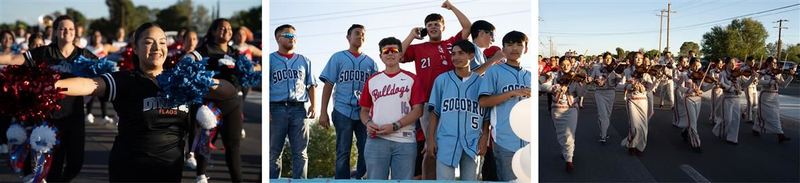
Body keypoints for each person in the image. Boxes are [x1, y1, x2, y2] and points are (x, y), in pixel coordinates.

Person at [55, 22, 236, 182]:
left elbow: (229, 92)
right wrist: (52, 86)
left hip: (170, 171)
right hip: (129, 171)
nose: (157, 48)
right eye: (149, 42)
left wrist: (204, 80)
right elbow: (88, 84)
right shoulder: (126, 80)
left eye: (162, 42)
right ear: (135, 48)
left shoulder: (181, 80)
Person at [0, 15, 97, 183]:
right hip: (51, 119)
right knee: (54, 166)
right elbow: (16, 59)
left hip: (75, 117)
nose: (67, 32)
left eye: (71, 29)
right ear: (56, 31)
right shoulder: (46, 52)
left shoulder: (83, 54)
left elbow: (104, 71)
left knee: (76, 162)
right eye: (63, 28)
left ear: (75, 33)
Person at [400, 0, 472, 179]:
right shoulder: (418, 48)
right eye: (429, 25)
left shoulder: (451, 44)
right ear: (425, 29)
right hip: (427, 102)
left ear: (443, 27)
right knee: (431, 144)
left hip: (451, 101)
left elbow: (468, 27)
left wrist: (452, 7)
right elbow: (398, 55)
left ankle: (447, 176)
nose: (432, 27)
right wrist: (411, 35)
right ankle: (429, 178)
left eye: (436, 24)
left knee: (449, 142)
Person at [359, 37, 424, 180]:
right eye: (385, 51)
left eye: (394, 50)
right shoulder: (372, 80)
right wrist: (368, 123)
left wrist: (395, 126)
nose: (390, 54)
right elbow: (364, 110)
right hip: (376, 140)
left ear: (400, 54)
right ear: (380, 56)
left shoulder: (411, 79)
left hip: (405, 141)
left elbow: (418, 110)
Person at [318, 24, 378, 179]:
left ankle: (361, 178)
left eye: (363, 34)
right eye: (357, 33)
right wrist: (323, 111)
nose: (360, 37)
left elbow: (376, 92)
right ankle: (342, 180)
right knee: (343, 150)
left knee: (366, 149)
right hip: (342, 109)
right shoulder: (338, 57)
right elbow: (328, 85)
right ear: (348, 37)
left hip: (364, 112)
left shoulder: (371, 63)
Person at [424, 40, 488, 180]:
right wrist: (430, 140)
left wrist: (485, 138)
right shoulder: (442, 80)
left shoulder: (482, 82)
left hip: (472, 141)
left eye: (461, 53)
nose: (456, 57)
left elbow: (487, 115)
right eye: (453, 54)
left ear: (471, 56)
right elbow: (434, 113)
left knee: (470, 180)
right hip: (446, 140)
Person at [192, 18, 247, 182]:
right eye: (222, 28)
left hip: (232, 104)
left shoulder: (234, 52)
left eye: (229, 28)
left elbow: (251, 68)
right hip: (211, 104)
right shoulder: (205, 49)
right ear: (214, 31)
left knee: (234, 145)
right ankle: (200, 175)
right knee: (207, 139)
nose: (227, 31)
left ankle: (238, 180)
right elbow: (189, 60)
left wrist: (254, 68)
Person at [478, 31, 531, 181]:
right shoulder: (494, 71)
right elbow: (483, 102)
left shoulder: (530, 75)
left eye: (519, 45)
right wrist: (513, 92)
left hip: (529, 142)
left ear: (526, 49)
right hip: (505, 141)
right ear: (503, 49)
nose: (514, 48)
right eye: (509, 45)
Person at [269, 24, 316, 179]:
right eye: (288, 35)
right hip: (276, 108)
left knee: (301, 152)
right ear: (278, 38)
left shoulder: (304, 60)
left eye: (294, 36)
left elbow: (311, 84)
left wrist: (314, 105)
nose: (292, 39)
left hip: (299, 109)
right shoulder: (270, 59)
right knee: (274, 152)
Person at [541, 56, 588, 172]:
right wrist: (557, 87)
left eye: (568, 64)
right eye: (563, 65)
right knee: (561, 134)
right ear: (560, 65)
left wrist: (586, 83)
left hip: (571, 108)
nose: (566, 67)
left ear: (571, 65)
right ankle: (565, 151)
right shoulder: (554, 75)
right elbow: (543, 86)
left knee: (569, 134)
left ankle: (569, 160)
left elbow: (582, 92)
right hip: (557, 108)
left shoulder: (575, 77)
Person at [615, 52, 653, 156]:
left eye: (640, 58)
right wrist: (630, 87)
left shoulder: (646, 73)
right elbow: (618, 86)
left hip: (643, 100)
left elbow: (650, 87)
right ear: (633, 59)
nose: (638, 60)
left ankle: (640, 146)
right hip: (631, 99)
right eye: (636, 58)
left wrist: (644, 88)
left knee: (643, 126)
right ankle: (632, 144)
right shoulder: (627, 71)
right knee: (634, 126)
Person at [752, 57, 794, 142]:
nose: (774, 65)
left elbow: (784, 85)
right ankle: (780, 134)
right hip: (765, 96)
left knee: (773, 114)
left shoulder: (778, 73)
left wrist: (790, 76)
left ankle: (756, 128)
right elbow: (758, 82)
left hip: (774, 96)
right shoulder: (764, 72)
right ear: (768, 63)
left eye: (775, 63)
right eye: (773, 63)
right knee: (770, 115)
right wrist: (772, 81)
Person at [677, 58, 714, 153]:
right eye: (695, 65)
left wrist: (713, 84)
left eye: (699, 65)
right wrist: (690, 90)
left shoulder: (700, 76)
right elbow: (680, 87)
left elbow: (704, 89)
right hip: (689, 99)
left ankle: (685, 132)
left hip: (698, 100)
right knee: (692, 122)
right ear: (690, 65)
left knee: (693, 121)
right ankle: (696, 144)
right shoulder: (684, 75)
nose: (697, 67)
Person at [715, 57, 755, 144]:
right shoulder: (723, 74)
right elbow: (722, 83)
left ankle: (732, 138)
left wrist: (752, 78)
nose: (733, 65)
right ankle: (718, 130)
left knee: (736, 119)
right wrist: (732, 88)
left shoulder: (739, 74)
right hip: (726, 98)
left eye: (734, 63)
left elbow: (745, 85)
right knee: (727, 119)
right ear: (726, 64)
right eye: (730, 63)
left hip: (736, 99)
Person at [589, 52, 619, 143]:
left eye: (610, 58)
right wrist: (595, 81)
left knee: (608, 114)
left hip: (611, 92)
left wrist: (619, 75)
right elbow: (590, 78)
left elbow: (620, 80)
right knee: (603, 114)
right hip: (599, 92)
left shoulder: (615, 68)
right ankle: (603, 135)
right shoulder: (596, 67)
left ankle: (603, 130)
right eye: (607, 58)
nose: (608, 60)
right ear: (603, 58)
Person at [672, 57, 690, 127]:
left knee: (685, 107)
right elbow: (674, 78)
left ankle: (685, 122)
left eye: (686, 61)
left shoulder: (688, 70)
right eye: (683, 61)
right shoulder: (676, 69)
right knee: (678, 107)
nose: (685, 63)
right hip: (678, 89)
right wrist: (679, 80)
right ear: (679, 62)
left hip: (686, 89)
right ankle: (677, 121)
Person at [740, 57, 758, 124]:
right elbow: (743, 78)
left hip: (754, 86)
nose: (753, 63)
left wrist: (756, 80)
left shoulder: (755, 69)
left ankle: (743, 110)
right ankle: (749, 118)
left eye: (754, 62)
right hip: (748, 87)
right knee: (750, 102)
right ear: (748, 62)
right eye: (751, 62)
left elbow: (757, 77)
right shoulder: (744, 69)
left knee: (755, 103)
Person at [709, 58, 725, 125]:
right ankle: (712, 118)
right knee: (714, 104)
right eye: (719, 63)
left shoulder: (723, 71)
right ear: (716, 64)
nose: (721, 65)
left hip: (722, 89)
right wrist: (715, 81)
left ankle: (718, 118)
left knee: (720, 105)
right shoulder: (712, 71)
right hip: (715, 89)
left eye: (722, 63)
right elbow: (712, 79)